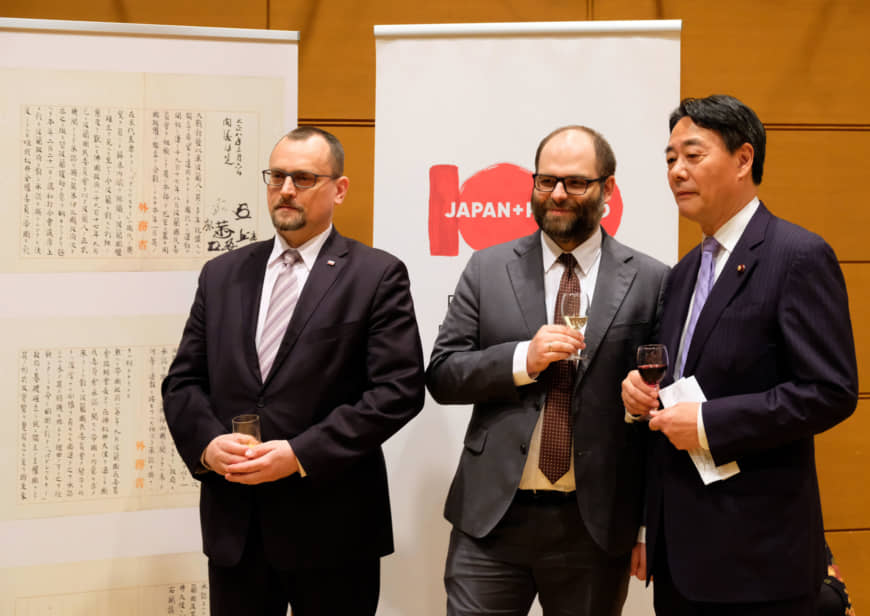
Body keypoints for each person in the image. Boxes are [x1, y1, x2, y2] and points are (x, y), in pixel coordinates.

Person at [162, 126, 425, 616]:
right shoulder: (222, 274)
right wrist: (207, 444)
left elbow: (398, 391)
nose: (286, 190)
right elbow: (183, 382)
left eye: (303, 178)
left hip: (334, 528)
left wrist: (300, 453)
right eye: (277, 176)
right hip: (236, 527)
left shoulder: (376, 275)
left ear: (339, 189)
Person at [621, 95, 858, 615]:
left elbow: (831, 391)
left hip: (758, 558)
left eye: (692, 155)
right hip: (681, 555)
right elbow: (684, 379)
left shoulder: (796, 255)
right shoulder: (683, 273)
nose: (676, 171)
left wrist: (709, 423)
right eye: (668, 159)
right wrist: (642, 394)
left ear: (744, 159)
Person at [427, 125, 669, 616]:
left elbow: (658, 406)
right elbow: (443, 374)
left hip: (595, 525)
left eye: (576, 182)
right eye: (546, 181)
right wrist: (522, 360)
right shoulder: (487, 267)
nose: (558, 194)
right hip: (492, 519)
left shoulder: (651, 279)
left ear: (608, 188)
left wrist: (646, 524)